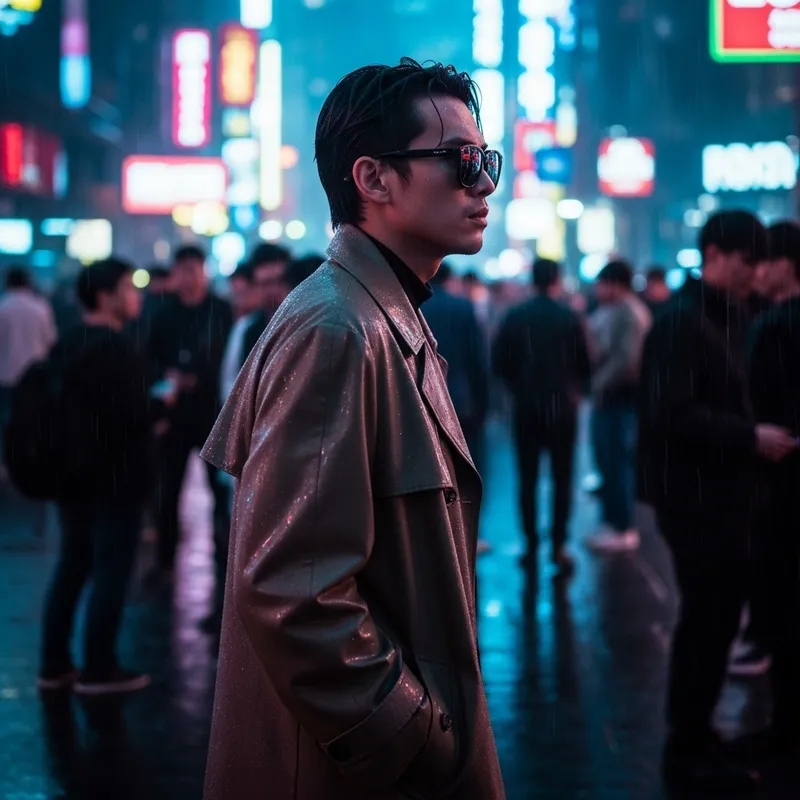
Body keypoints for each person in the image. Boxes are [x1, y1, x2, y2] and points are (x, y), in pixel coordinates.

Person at [200, 58, 505, 800]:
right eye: (461, 161)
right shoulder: (339, 328)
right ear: (372, 179)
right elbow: (292, 590)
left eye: (487, 159)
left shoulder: (381, 314)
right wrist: (412, 733)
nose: (484, 183)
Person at [637, 210, 796, 792]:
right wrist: (749, 436)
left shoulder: (725, 315)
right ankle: (687, 742)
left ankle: (698, 734)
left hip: (721, 493)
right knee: (707, 617)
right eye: (747, 261)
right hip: (695, 496)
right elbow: (668, 415)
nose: (755, 273)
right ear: (716, 254)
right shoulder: (682, 321)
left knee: (718, 616)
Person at [38, 258, 157, 695]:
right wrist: (161, 406)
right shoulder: (116, 348)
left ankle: (54, 665)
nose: (136, 295)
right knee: (110, 570)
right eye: (129, 287)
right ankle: (99, 667)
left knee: (72, 566)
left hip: (71, 479)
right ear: (106, 295)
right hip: (115, 479)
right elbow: (133, 417)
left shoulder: (66, 343)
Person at [740, 220, 800, 758]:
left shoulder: (774, 325)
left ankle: (784, 725)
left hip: (779, 481)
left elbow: (750, 400)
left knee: (783, 602)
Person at [493, 258, 591, 574]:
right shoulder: (569, 316)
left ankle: (530, 544)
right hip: (563, 407)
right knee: (563, 477)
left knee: (528, 477)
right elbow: (585, 363)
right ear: (556, 279)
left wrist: (520, 386)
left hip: (526, 408)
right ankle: (560, 545)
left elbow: (500, 363)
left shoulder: (515, 316)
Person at [147, 245, 233, 582]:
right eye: (182, 269)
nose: (188, 276)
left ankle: (224, 560)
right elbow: (149, 357)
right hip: (174, 413)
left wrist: (203, 376)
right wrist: (169, 377)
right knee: (167, 490)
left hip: (214, 413)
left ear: (203, 270)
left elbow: (231, 358)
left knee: (220, 490)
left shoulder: (222, 311)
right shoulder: (164, 313)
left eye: (193, 268)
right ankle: (165, 561)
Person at [586, 260, 651, 553]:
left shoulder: (630, 313)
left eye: (601, 283)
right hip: (610, 398)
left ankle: (624, 527)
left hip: (620, 399)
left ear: (614, 284)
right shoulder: (615, 310)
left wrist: (598, 384)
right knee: (608, 461)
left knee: (617, 463)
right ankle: (614, 522)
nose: (597, 289)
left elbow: (627, 361)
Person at [425, 261, 489, 473]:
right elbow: (476, 358)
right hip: (460, 398)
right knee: (465, 464)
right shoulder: (463, 307)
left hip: (426, 398)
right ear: (450, 279)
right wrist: (482, 403)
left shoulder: (416, 306)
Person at [0, 267, 57, 449]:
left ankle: (6, 459)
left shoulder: (3, 308)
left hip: (7, 374)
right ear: (28, 283)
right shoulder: (41, 307)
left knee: (7, 419)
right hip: (36, 373)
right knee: (34, 420)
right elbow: (51, 340)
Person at [240, 242, 292, 364]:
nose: (273, 290)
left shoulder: (306, 320)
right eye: (266, 284)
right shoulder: (251, 330)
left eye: (279, 281)